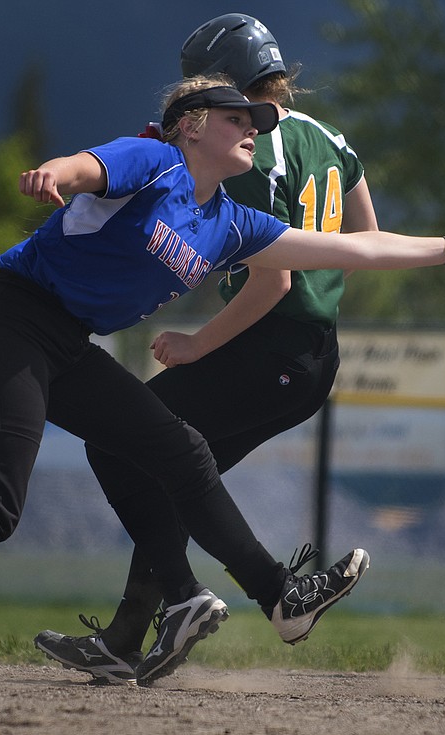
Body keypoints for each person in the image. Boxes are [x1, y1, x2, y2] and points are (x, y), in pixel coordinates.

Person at [0, 72, 445, 685]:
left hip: (67, 343)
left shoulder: (229, 222)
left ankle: (275, 598)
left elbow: (355, 248)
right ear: (190, 127)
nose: (252, 127)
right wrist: (56, 173)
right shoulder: (154, 159)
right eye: (235, 118)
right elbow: (88, 167)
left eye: (257, 121)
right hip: (7, 322)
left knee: (182, 450)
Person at [32, 13, 380, 685]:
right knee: (174, 473)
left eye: (207, 84)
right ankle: (134, 634)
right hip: (314, 354)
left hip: (263, 347)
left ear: (227, 81)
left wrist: (198, 343)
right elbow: (364, 239)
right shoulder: (329, 137)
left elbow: (273, 280)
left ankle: (263, 596)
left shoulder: (245, 144)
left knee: (121, 442)